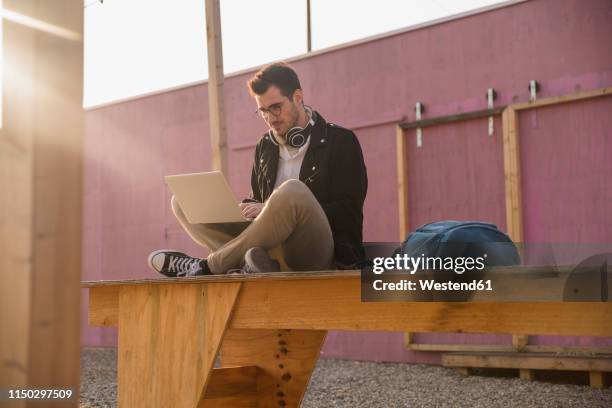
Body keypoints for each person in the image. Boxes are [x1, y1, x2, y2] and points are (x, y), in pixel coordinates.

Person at [148, 62, 368, 277]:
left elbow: (347, 213)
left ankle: (210, 265)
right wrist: (248, 207)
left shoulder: (340, 141)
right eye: (263, 111)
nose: (270, 118)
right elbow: (259, 201)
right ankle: (249, 261)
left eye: (276, 108)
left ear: (298, 98)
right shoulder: (266, 146)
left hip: (316, 255)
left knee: (292, 192)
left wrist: (273, 206)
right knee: (183, 201)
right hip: (267, 252)